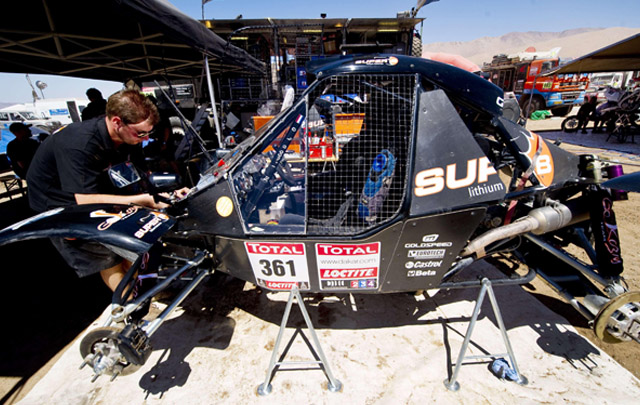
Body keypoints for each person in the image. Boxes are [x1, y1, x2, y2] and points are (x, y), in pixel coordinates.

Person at [27, 89, 189, 293]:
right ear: (116, 122)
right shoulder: (80, 143)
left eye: (149, 132)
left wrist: (162, 194)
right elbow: (84, 200)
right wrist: (143, 200)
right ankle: (129, 303)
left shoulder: (130, 137)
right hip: (60, 201)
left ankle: (144, 290)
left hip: (93, 188)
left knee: (134, 243)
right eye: (140, 133)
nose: (145, 138)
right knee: (107, 254)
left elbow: (136, 175)